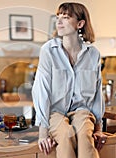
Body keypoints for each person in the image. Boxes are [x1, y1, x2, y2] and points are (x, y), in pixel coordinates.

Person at [32, 2, 107, 158]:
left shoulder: (93, 54)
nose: (59, 21)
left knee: (85, 135)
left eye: (66, 17)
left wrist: (98, 129)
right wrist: (43, 132)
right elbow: (42, 90)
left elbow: (97, 93)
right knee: (66, 135)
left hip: (82, 112)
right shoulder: (48, 51)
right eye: (58, 17)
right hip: (55, 113)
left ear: (80, 23)